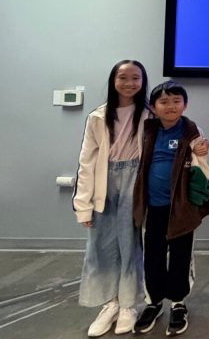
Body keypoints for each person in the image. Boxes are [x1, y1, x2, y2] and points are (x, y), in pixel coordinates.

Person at [73, 60, 152, 337]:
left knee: (130, 244)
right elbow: (86, 162)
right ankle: (110, 303)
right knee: (102, 246)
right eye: (123, 77)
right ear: (113, 80)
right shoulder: (98, 116)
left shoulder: (149, 114)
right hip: (105, 182)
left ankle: (130, 304)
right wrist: (83, 206)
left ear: (143, 81)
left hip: (135, 179)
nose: (129, 83)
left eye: (135, 78)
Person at [132, 82, 209, 336]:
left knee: (180, 256)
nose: (170, 106)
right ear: (153, 107)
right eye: (164, 102)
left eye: (176, 101)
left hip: (180, 209)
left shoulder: (192, 131)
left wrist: (201, 150)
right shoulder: (145, 131)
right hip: (152, 208)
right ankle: (154, 302)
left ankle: (178, 304)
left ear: (185, 105)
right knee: (152, 256)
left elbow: (201, 167)